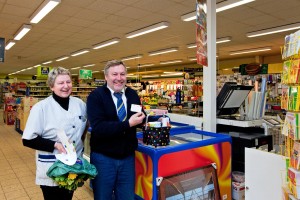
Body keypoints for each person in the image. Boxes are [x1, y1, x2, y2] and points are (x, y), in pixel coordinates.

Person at [22, 67, 88, 200]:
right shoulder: (41, 108)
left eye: (68, 82)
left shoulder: (80, 104)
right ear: (52, 86)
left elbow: (84, 128)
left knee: (68, 197)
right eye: (60, 83)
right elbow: (28, 139)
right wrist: (55, 145)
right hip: (51, 165)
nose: (65, 86)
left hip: (73, 166)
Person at [87, 60, 146, 200]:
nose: (119, 78)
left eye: (122, 74)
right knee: (103, 196)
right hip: (103, 158)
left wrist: (149, 119)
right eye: (114, 74)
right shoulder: (96, 96)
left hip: (127, 157)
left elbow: (138, 115)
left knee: (127, 196)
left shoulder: (132, 94)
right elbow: (99, 127)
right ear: (106, 77)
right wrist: (128, 124)